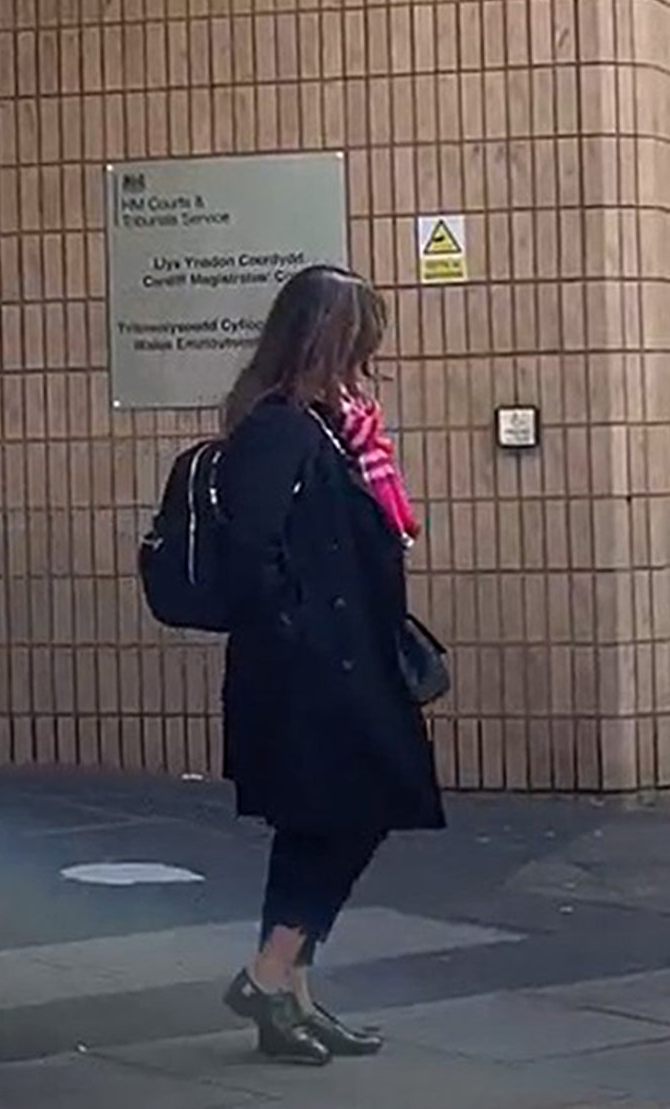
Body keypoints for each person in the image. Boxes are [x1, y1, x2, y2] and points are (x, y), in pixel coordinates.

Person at [213, 265, 446, 1065]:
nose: (365, 362)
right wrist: (307, 627)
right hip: (310, 673)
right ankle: (267, 973)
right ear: (324, 341)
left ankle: (293, 996)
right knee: (352, 812)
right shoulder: (279, 426)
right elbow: (254, 556)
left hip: (341, 664)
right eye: (356, 344)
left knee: (321, 824)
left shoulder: (329, 425)